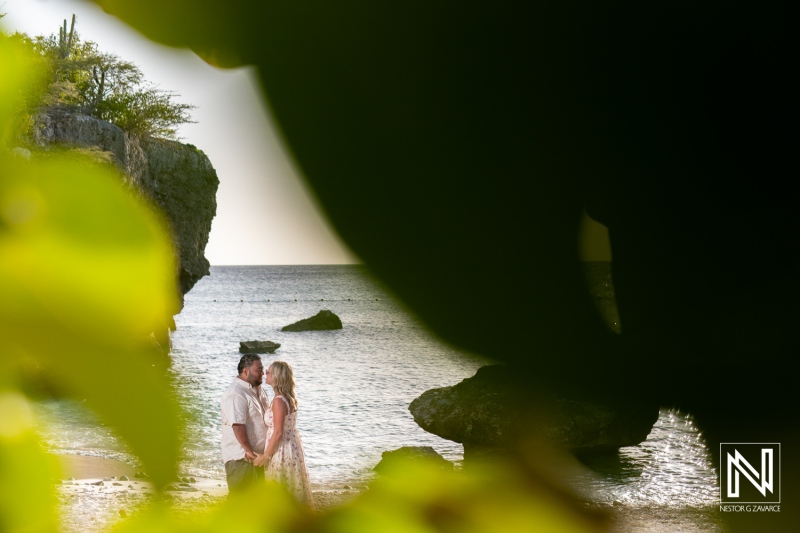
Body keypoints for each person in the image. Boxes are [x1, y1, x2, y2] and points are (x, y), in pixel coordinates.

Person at [255, 361, 313, 508]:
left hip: (281, 450)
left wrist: (265, 456)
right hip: (291, 447)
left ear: (277, 377)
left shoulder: (279, 401)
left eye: (268, 372)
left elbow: (278, 432)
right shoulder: (287, 398)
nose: (265, 374)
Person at [220, 353, 270, 494]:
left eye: (262, 369)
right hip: (242, 458)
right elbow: (238, 426)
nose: (262, 373)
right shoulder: (236, 393)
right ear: (245, 371)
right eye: (258, 370)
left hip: (257, 456)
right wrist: (249, 451)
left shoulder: (258, 388)